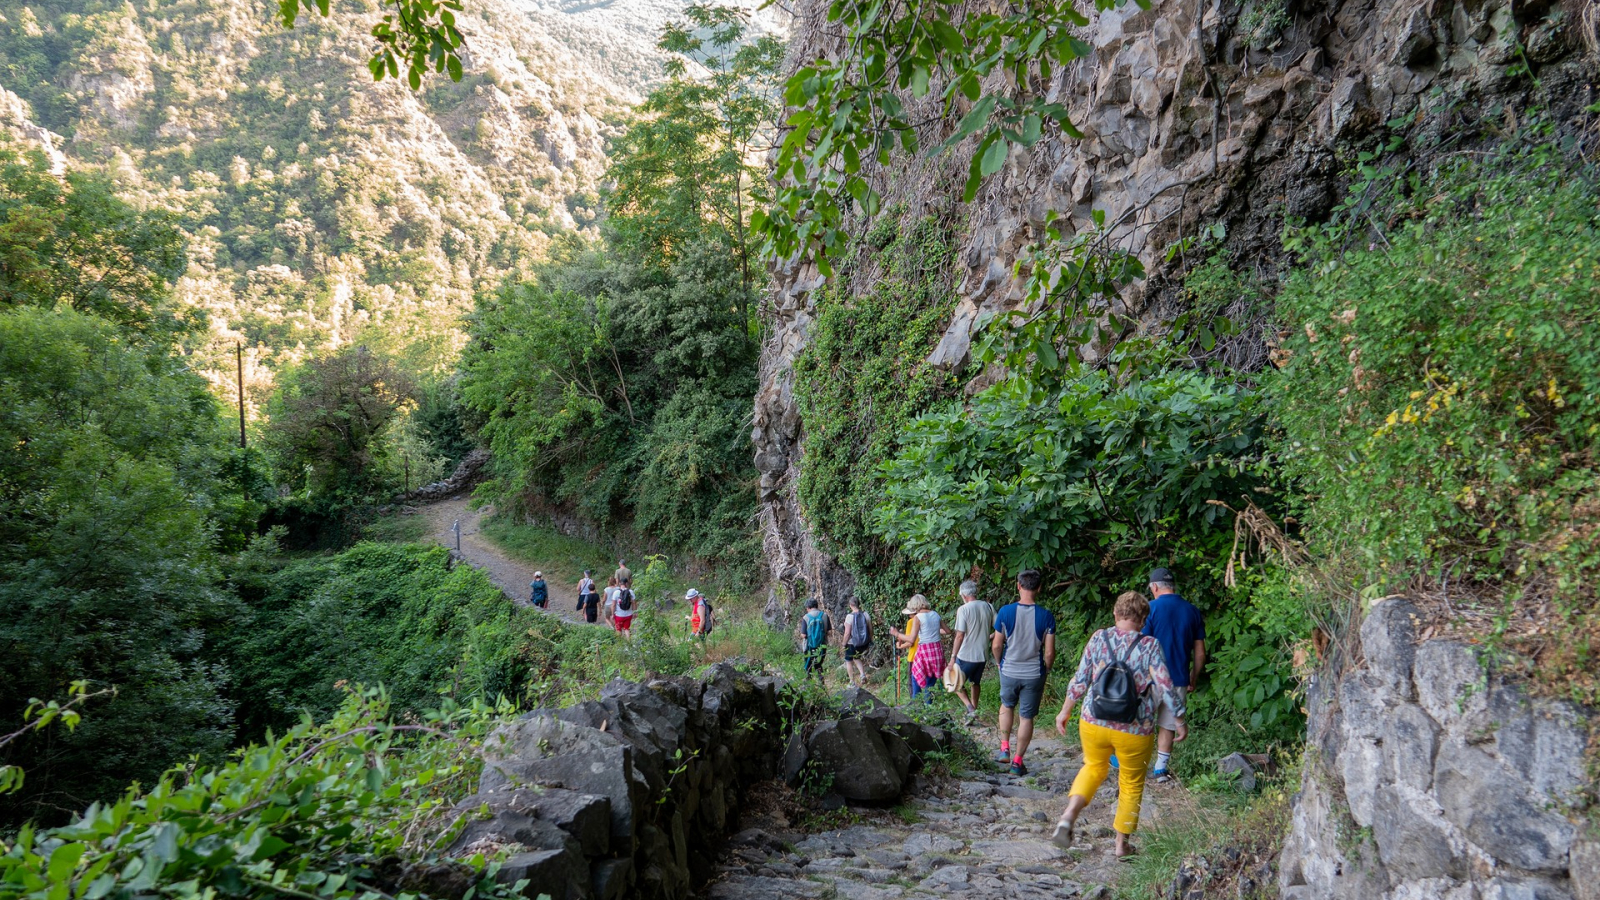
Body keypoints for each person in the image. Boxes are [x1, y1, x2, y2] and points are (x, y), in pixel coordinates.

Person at [1051, 591, 1186, 858]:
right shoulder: (1150, 645)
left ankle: (1069, 815)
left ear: (1115, 613)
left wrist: (1065, 711)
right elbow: (1165, 685)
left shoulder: (1099, 638)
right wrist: (1179, 718)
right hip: (1135, 727)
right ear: (1144, 618)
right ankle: (1121, 844)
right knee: (1132, 782)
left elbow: (1081, 677)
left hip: (1094, 720)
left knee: (1093, 767)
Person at [1141, 567, 1206, 783]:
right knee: (1169, 725)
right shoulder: (1192, 610)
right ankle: (1160, 769)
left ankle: (1134, 765)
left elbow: (1140, 646)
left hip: (1150, 679)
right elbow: (1200, 652)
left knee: (1142, 723)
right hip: (1178, 678)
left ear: (1155, 587)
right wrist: (1192, 677)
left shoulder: (1149, 609)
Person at [991, 569, 1057, 776]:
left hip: (1009, 669)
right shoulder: (1046, 616)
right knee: (1026, 717)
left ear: (1018, 586)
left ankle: (1004, 749)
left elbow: (996, 645)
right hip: (1034, 673)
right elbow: (1049, 651)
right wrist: (1047, 668)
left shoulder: (1005, 612)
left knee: (1006, 705)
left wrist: (999, 663)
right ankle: (1018, 762)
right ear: (1039, 588)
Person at [950, 580, 996, 724]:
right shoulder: (988, 606)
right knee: (975, 683)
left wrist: (953, 657)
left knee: (954, 683)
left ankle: (970, 708)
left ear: (964, 594)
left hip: (966, 655)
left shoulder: (963, 609)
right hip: (982, 655)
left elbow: (959, 635)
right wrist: (988, 637)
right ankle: (973, 714)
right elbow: (1001, 628)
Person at [892, 595, 947, 705]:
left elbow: (911, 639)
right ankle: (928, 708)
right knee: (929, 681)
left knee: (915, 676)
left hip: (925, 651)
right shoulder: (935, 614)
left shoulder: (918, 618)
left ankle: (917, 705)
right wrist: (933, 631)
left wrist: (896, 634)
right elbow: (947, 631)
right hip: (937, 651)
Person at [801, 598, 833, 684]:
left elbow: (803, 635)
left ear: (808, 607)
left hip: (809, 646)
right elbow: (829, 632)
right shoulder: (825, 616)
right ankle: (822, 683)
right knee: (818, 664)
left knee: (808, 665)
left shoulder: (806, 617)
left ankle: (809, 685)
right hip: (822, 645)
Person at [841, 597, 872, 686]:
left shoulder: (849, 617)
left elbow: (847, 633)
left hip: (851, 643)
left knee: (848, 661)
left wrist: (843, 644)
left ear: (851, 605)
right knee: (857, 657)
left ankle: (852, 682)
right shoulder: (866, 614)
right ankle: (862, 675)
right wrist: (870, 639)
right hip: (863, 643)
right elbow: (870, 629)